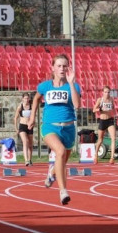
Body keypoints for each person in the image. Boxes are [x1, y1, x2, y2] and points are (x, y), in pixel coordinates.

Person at [29, 54, 81, 205]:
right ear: (53, 68)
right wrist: (32, 117)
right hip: (49, 127)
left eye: (65, 66)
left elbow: (77, 105)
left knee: (62, 160)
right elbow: (36, 98)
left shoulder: (74, 86)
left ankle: (52, 173)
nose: (62, 69)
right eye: (59, 66)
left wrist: (71, 83)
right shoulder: (45, 86)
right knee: (60, 151)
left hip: (68, 128)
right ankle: (63, 191)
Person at [93, 86, 117, 165]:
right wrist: (100, 109)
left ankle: (112, 158)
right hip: (102, 121)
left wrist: (114, 114)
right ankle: (96, 155)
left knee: (113, 138)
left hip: (110, 120)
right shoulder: (100, 100)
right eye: (106, 92)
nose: (107, 94)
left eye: (108, 92)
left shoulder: (111, 99)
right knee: (100, 140)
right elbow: (94, 110)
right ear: (103, 92)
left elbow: (113, 108)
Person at [14, 93, 34, 166]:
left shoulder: (31, 106)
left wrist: (32, 124)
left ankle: (29, 159)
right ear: (22, 99)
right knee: (25, 141)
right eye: (25, 98)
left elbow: (33, 117)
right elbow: (15, 118)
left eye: (27, 98)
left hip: (29, 126)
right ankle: (26, 160)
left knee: (30, 144)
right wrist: (16, 128)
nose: (26, 100)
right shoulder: (20, 106)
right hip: (22, 126)